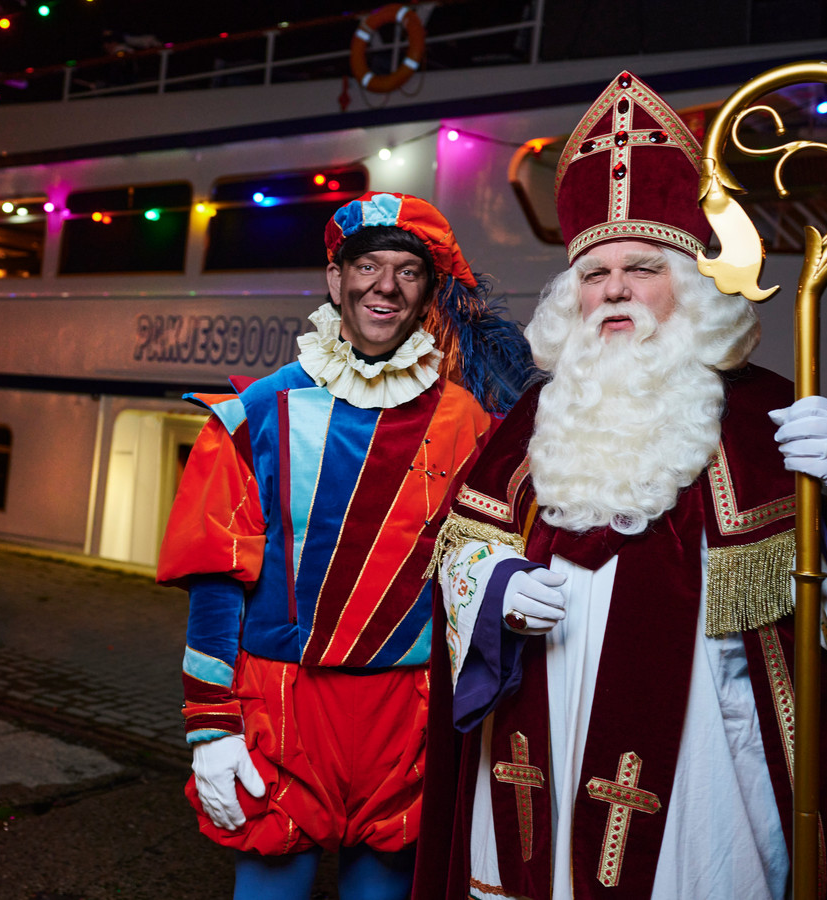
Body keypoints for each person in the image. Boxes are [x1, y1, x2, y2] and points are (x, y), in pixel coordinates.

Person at [412, 72, 827, 900]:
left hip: (709, 770)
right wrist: (494, 594)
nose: (617, 289)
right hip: (535, 756)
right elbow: (454, 556)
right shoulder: (532, 419)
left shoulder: (769, 415)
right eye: (596, 274)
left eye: (642, 267)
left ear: (694, 285)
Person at [157, 192, 533, 899]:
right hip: (282, 707)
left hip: (409, 712)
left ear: (429, 292)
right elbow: (214, 582)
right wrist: (211, 727)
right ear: (336, 279)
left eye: (407, 271)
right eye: (366, 265)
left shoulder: (473, 422)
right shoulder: (254, 414)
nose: (384, 286)